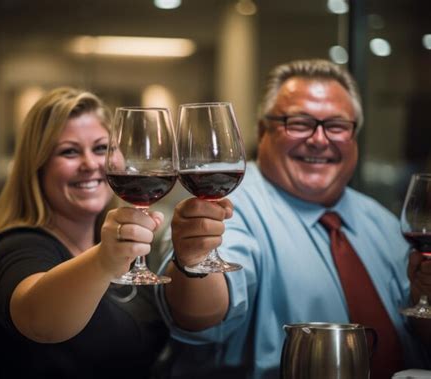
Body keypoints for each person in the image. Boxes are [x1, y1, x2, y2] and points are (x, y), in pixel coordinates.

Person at [156, 59, 431, 379]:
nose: (319, 139)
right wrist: (193, 262)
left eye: (337, 126)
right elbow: (199, 317)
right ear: (263, 131)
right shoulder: (227, 206)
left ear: (354, 136)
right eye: (299, 123)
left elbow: (419, 329)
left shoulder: (383, 222)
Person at [0, 87, 168, 378]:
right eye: (69, 152)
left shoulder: (119, 249)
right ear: (38, 168)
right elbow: (39, 320)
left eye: (100, 148)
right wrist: (104, 260)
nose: (90, 164)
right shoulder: (15, 246)